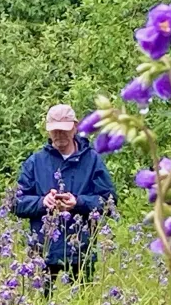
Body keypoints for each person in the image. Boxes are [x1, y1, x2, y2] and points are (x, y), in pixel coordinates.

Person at [14, 104, 117, 294]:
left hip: (81, 252)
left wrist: (78, 203)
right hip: (43, 252)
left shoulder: (92, 160)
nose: (59, 135)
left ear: (75, 127)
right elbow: (16, 203)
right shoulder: (35, 162)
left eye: (64, 130)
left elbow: (109, 202)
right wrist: (42, 202)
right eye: (55, 131)